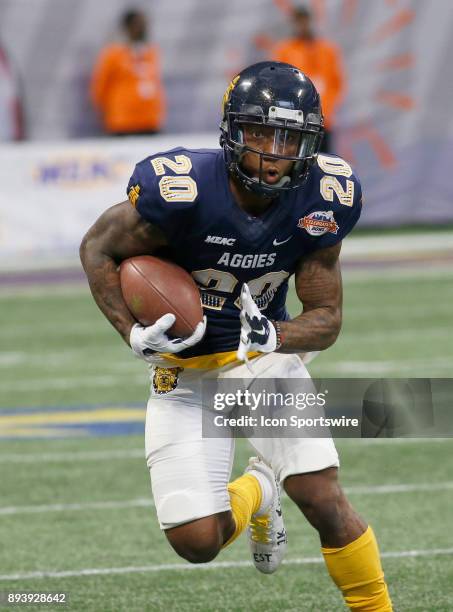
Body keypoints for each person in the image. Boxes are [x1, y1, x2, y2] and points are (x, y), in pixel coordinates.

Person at [80, 61, 392, 610]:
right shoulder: (181, 190)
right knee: (196, 541)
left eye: (289, 138)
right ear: (231, 134)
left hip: (258, 361)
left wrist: (272, 334)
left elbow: (327, 317)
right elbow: (97, 248)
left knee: (321, 497)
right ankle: (260, 490)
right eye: (261, 135)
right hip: (184, 376)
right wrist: (132, 333)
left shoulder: (324, 197)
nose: (274, 154)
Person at [272, 6, 344, 153]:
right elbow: (278, 83)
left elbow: (336, 84)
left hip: (322, 120)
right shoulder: (285, 50)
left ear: (310, 21)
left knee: (322, 161)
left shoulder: (328, 50)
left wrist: (325, 109)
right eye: (298, 22)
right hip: (294, 121)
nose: (302, 26)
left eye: (304, 21)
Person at [90, 9, 165, 136]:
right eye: (138, 24)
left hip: (149, 119)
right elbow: (100, 86)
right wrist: (104, 112)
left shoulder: (150, 52)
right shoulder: (113, 54)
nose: (142, 29)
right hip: (122, 120)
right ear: (127, 27)